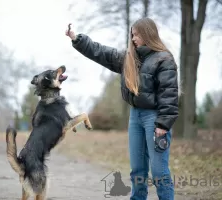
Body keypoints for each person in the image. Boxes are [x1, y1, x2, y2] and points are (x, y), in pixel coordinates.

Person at [65, 17, 179, 200]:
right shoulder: (128, 58)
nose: (133, 39)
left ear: (148, 34)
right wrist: (76, 38)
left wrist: (163, 125)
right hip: (135, 117)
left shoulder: (164, 59)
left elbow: (170, 95)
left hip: (155, 118)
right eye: (132, 35)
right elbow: (100, 52)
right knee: (137, 170)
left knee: (159, 172)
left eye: (137, 35)